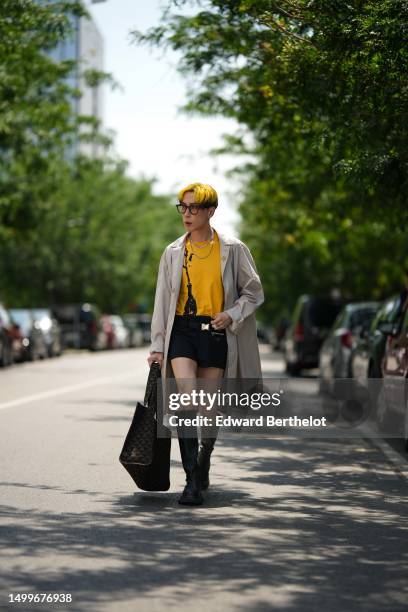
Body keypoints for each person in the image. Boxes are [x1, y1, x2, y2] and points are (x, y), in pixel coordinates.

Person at [147, 183, 264, 506]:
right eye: (182, 207)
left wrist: (231, 314)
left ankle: (205, 455)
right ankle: (192, 480)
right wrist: (158, 345)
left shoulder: (233, 248)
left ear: (210, 211)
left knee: (207, 408)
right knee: (187, 400)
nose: (186, 213)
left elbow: (254, 292)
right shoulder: (173, 252)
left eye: (194, 208)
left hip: (214, 332)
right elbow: (161, 301)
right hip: (182, 332)